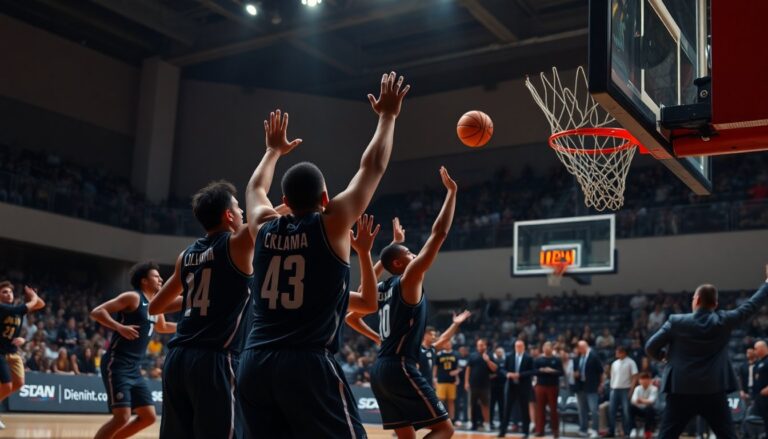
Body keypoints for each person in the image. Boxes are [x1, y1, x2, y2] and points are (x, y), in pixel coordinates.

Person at [237, 72, 410, 439]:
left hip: (254, 363)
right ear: (326, 200)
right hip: (305, 364)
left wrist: (272, 150)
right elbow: (372, 167)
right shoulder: (331, 225)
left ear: (284, 203)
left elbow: (254, 188)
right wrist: (388, 116)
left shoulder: (263, 227)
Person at [347, 166, 464, 438]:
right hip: (400, 366)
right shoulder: (408, 278)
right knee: (445, 429)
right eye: (409, 252)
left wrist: (378, 338)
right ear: (400, 264)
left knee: (406, 436)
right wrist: (452, 194)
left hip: (380, 369)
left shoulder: (382, 286)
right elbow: (439, 235)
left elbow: (353, 315)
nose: (414, 254)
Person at [147, 179, 269, 438]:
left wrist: (195, 294)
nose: (243, 213)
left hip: (178, 358)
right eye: (238, 208)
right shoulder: (237, 243)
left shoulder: (187, 255)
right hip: (215, 359)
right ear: (228, 216)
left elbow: (156, 305)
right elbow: (267, 217)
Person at [645, 266, 768, 439]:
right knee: (727, 436)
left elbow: (650, 347)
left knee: (667, 435)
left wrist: (664, 357)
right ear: (715, 304)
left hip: (681, 389)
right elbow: (751, 305)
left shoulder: (676, 321)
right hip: (713, 389)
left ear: (695, 300)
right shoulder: (724, 320)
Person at [90, 261, 177, 439]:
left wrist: (186, 326)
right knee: (122, 417)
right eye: (156, 276)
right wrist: (118, 327)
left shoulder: (156, 304)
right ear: (144, 281)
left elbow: (162, 326)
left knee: (149, 416)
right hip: (117, 362)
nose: (161, 279)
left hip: (134, 368)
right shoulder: (133, 297)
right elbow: (97, 312)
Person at [0, 282, 45, 430]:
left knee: (19, 384)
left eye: (10, 292)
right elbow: (27, 306)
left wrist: (34, 296)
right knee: (7, 385)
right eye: (5, 292)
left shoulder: (17, 310)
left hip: (12, 352)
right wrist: (32, 299)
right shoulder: (3, 308)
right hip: (0, 352)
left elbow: (40, 304)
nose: (9, 294)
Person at [498, 339, 535, 438]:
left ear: (523, 347)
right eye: (516, 346)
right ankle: (503, 431)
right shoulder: (509, 357)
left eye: (520, 346)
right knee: (507, 409)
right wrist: (507, 374)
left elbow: (532, 371)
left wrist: (520, 375)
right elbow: (502, 369)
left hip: (523, 387)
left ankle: (526, 432)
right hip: (511, 387)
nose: (518, 348)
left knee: (524, 410)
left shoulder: (529, 358)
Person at [466, 338, 498, 432]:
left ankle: (487, 423)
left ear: (485, 346)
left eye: (482, 345)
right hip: (473, 385)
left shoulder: (490, 355)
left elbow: (495, 369)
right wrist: (466, 382)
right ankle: (471, 423)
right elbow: (468, 369)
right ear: (477, 346)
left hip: (485, 386)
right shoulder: (472, 356)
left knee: (485, 405)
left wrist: (488, 360)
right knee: (471, 405)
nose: (480, 347)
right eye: (479, 345)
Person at [533, 341, 563, 438]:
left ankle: (555, 431)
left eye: (548, 347)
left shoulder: (557, 359)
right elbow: (533, 371)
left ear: (551, 348)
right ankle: (539, 430)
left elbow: (561, 372)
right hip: (540, 386)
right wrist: (541, 370)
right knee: (540, 409)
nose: (546, 348)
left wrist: (552, 371)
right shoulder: (538, 360)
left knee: (553, 409)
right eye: (544, 346)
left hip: (553, 386)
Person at [607, 345, 638, 438]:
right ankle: (611, 431)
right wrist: (611, 387)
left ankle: (627, 431)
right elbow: (612, 376)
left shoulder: (631, 362)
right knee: (611, 411)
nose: (616, 353)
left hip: (625, 389)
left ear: (624, 352)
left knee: (626, 411)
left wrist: (631, 390)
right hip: (614, 389)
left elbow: (635, 377)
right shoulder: (614, 363)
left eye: (618, 351)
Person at [575, 340, 603, 438]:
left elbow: (601, 371)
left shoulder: (594, 356)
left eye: (579, 348)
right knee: (582, 410)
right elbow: (577, 369)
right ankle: (583, 429)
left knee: (594, 410)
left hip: (592, 387)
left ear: (583, 347)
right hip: (580, 386)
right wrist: (576, 374)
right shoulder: (579, 357)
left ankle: (595, 430)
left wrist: (600, 385)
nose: (578, 350)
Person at [435, 340, 461, 422]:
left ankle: (452, 419)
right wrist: (434, 378)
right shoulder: (439, 355)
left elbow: (459, 367)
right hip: (441, 381)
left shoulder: (456, 354)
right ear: (443, 345)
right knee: (440, 400)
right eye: (446, 343)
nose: (447, 344)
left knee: (451, 401)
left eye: (449, 343)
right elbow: (435, 367)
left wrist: (457, 374)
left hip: (451, 381)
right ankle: (441, 418)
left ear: (451, 344)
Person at [630, 373, 658, 439]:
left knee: (649, 408)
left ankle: (647, 431)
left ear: (650, 380)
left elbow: (651, 401)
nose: (644, 381)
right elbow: (633, 400)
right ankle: (633, 429)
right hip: (639, 409)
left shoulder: (654, 388)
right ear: (639, 381)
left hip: (649, 410)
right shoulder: (637, 388)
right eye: (642, 379)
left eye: (646, 379)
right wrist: (644, 401)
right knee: (630, 407)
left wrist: (640, 400)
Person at [752, 340, 768, 429]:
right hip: (762, 399)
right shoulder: (758, 363)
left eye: (756, 349)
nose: (755, 351)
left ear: (763, 348)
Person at [490, 347, 506, 429]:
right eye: (498, 352)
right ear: (495, 352)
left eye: (501, 352)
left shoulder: (505, 361)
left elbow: (504, 373)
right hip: (492, 387)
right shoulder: (492, 360)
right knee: (491, 405)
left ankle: (502, 423)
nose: (500, 353)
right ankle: (490, 422)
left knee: (502, 405)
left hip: (502, 386)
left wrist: (497, 373)